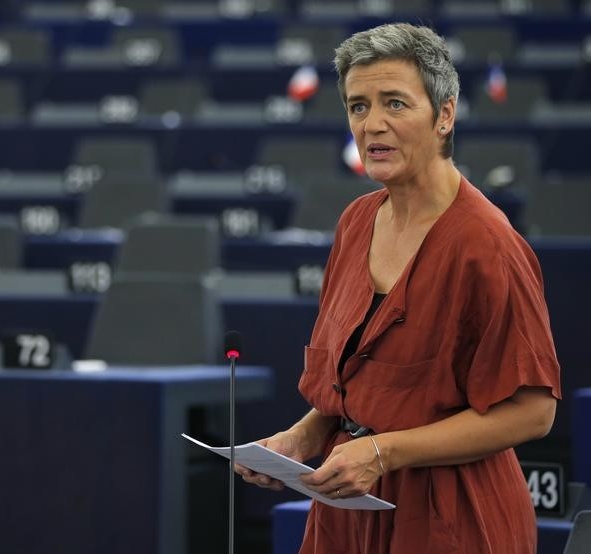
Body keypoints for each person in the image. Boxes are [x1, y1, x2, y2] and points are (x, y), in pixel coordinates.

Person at [236, 23, 561, 553]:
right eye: (358, 106)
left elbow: (533, 411)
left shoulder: (488, 244)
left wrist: (385, 453)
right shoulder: (356, 220)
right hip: (348, 509)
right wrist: (304, 436)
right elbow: (366, 385)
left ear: (445, 115)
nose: (373, 125)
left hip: (453, 516)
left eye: (395, 103)